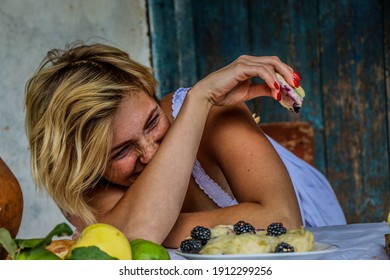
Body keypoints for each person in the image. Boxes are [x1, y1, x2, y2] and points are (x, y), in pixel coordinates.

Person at [24, 42, 345, 249]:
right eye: (120, 152)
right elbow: (134, 235)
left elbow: (283, 220)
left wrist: (199, 99)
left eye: (152, 122)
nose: (150, 152)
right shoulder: (79, 186)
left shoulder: (212, 108)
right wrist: (135, 229)